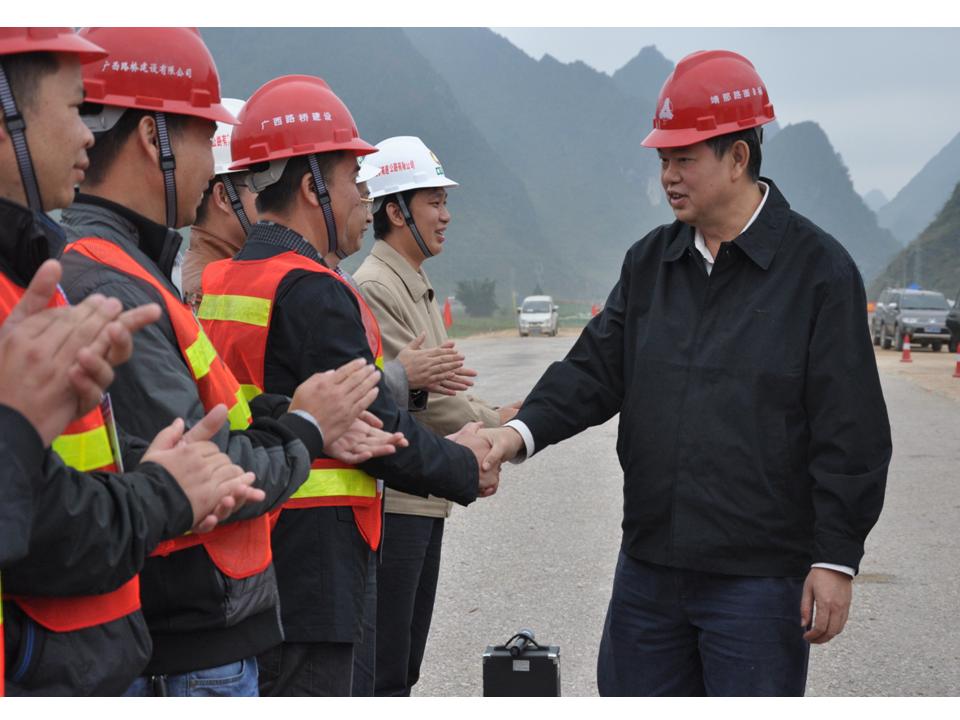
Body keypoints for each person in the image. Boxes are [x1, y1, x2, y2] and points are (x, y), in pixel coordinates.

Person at [481, 50, 891, 696]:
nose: (668, 176)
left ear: (738, 157)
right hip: (649, 572)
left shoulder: (818, 273)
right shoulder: (651, 264)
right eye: (663, 160)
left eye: (684, 159)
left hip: (759, 583)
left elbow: (852, 431)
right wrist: (514, 435)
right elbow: (593, 370)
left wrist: (836, 558)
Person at [57, 28, 397, 696]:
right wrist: (307, 426)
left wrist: (281, 413)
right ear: (153, 137)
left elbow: (215, 415)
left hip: (189, 621)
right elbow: (207, 472)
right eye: (201, 136)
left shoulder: (126, 267)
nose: (214, 166)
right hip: (192, 633)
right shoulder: (113, 282)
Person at [197, 74, 499, 696]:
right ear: (313, 187)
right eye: (355, 184)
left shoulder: (226, 280)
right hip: (316, 564)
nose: (364, 201)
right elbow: (376, 427)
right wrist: (465, 464)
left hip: (251, 553)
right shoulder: (316, 291)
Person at [0, 27, 265, 696]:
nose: (86, 135)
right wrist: (166, 491)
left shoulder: (39, 272)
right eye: (75, 108)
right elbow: (35, 518)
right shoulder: (99, 275)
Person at [353, 135, 521, 696]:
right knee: (386, 668)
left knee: (405, 663)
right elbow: (427, 403)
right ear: (395, 211)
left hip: (425, 497)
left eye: (445, 202)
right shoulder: (376, 287)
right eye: (434, 202)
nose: (446, 216)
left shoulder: (413, 282)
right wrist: (500, 426)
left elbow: (439, 390)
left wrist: (496, 416)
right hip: (398, 500)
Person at [179, 97, 256, 308]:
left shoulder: (229, 273)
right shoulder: (210, 289)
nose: (276, 198)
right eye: (259, 184)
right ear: (223, 196)